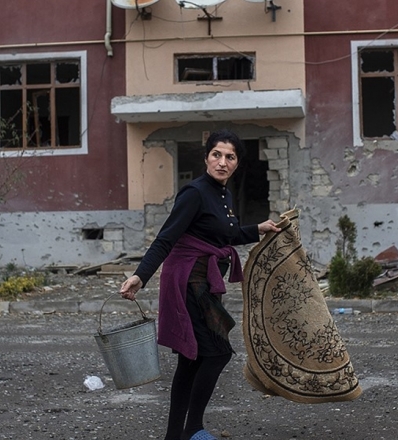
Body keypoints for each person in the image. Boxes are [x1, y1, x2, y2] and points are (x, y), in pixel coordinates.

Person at [119, 129, 280, 440]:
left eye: (230, 157)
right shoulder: (194, 193)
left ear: (236, 163)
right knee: (217, 352)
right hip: (188, 284)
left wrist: (259, 228)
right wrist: (141, 275)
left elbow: (226, 235)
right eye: (216, 154)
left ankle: (175, 436)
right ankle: (192, 430)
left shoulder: (224, 195)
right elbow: (166, 238)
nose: (222, 162)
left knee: (191, 360)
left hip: (203, 285)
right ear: (207, 157)